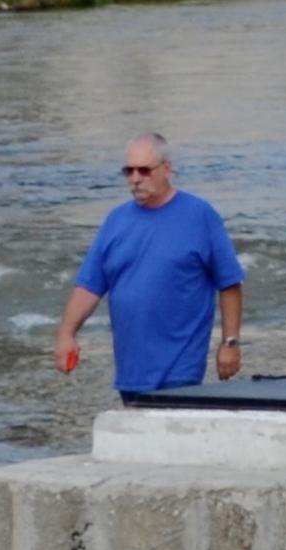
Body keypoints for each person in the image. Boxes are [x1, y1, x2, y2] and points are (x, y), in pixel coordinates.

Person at [55, 133, 245, 398]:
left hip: (181, 369)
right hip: (131, 371)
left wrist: (230, 343)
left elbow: (229, 282)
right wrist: (66, 334)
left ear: (167, 169)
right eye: (128, 171)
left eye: (144, 170)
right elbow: (90, 286)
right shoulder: (116, 221)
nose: (135, 179)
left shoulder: (199, 216)